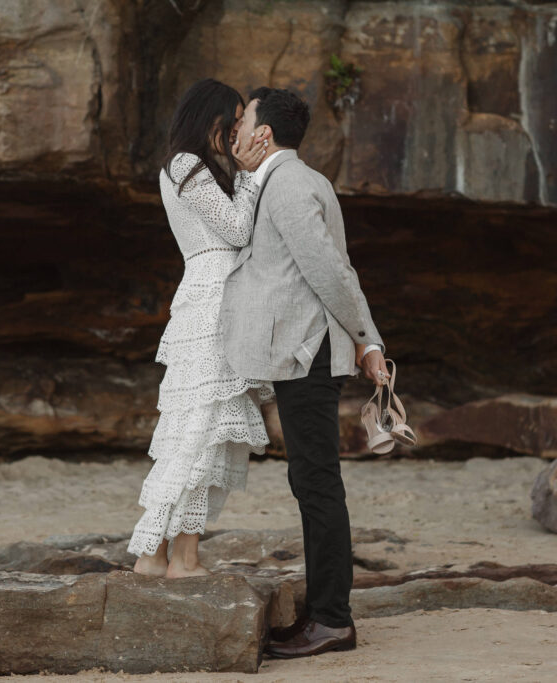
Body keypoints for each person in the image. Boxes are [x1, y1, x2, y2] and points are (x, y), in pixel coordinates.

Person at [220, 87, 389, 658]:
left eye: (243, 120)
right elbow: (337, 268)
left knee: (317, 483)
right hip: (305, 351)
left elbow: (332, 275)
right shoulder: (287, 181)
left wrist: (367, 341)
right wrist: (368, 343)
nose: (236, 129)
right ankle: (323, 613)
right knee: (310, 481)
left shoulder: (289, 185)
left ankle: (333, 621)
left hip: (307, 353)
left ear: (264, 133)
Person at [127, 79, 271, 578]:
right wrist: (251, 174)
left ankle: (165, 555)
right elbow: (235, 230)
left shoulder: (191, 167)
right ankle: (174, 556)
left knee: (201, 427)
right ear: (206, 118)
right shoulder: (186, 165)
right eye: (230, 123)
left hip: (213, 294)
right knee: (199, 428)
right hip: (211, 297)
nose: (235, 134)